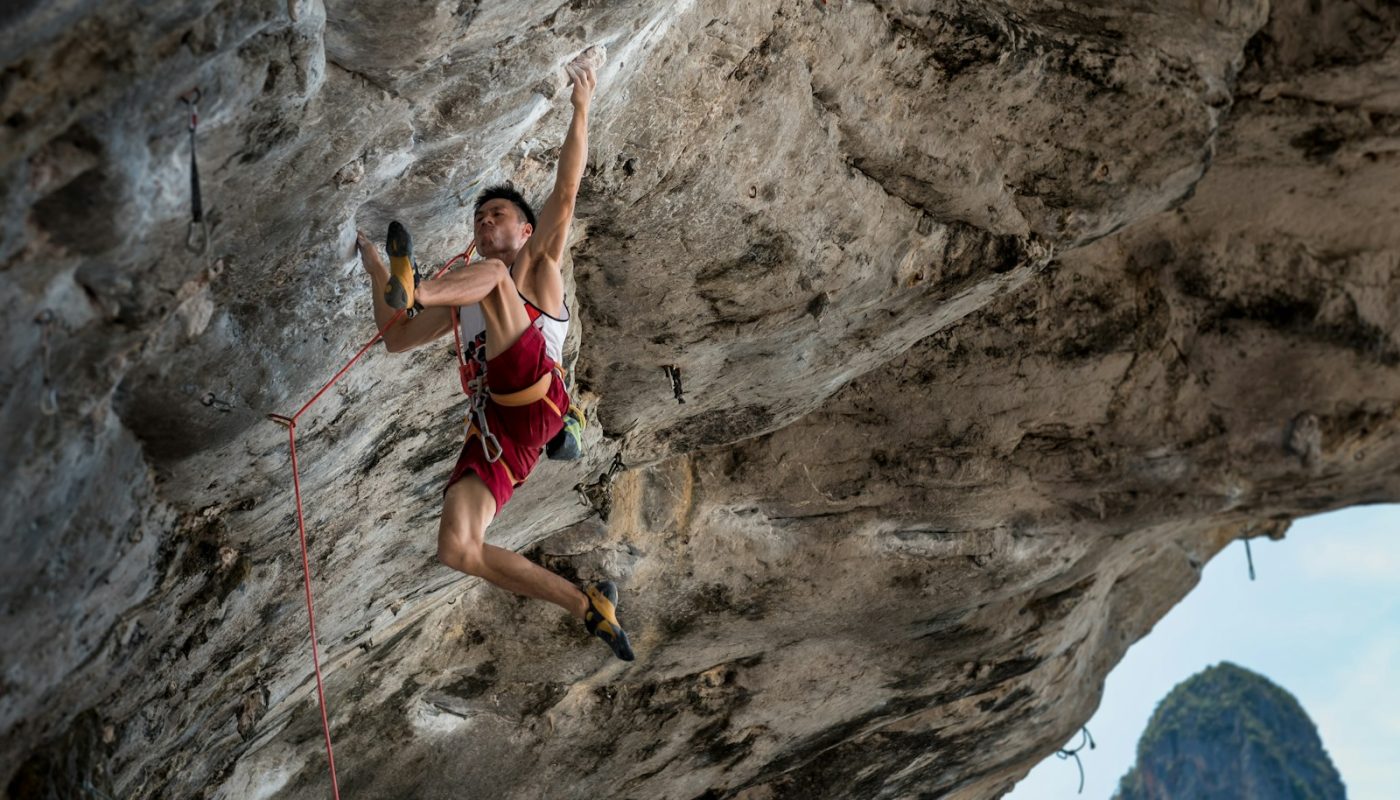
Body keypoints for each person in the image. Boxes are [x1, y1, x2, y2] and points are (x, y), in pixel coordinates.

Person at [354, 56, 633, 661]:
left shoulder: (535, 265)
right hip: (506, 433)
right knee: (458, 548)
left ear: (526, 229)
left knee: (488, 280)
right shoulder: (469, 298)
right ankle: (588, 605)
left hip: (538, 394)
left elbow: (566, 189)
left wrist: (582, 105)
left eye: (497, 214)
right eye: (480, 218)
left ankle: (416, 284)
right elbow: (397, 339)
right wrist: (374, 264)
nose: (485, 221)